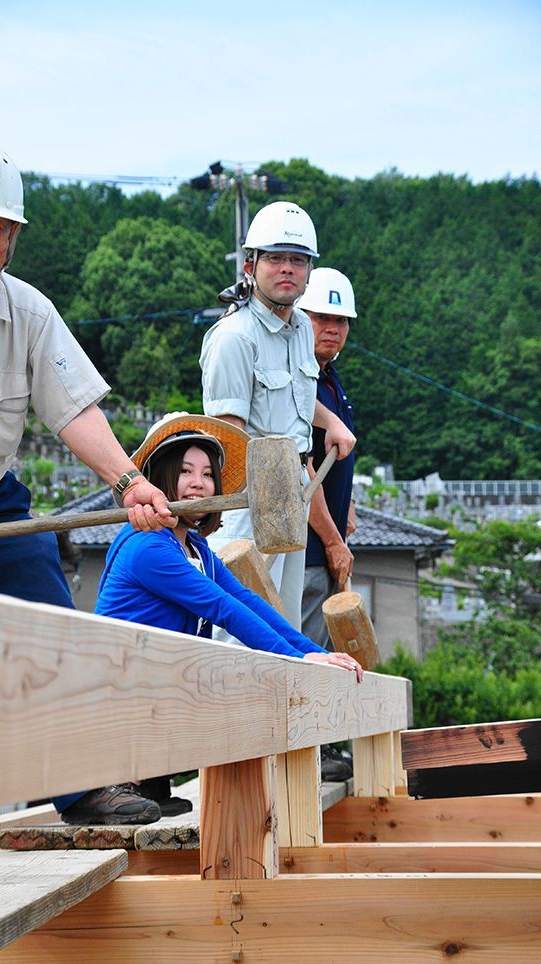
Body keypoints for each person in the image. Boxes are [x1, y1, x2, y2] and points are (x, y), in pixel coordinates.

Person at [0, 139, 173, 607]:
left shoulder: (33, 313)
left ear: (11, 238)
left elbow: (73, 411)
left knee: (49, 616)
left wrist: (130, 483)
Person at [55, 412, 363, 825]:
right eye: (183, 472)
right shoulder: (148, 546)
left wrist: (311, 652)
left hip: (155, 688)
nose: (198, 483)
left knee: (199, 672)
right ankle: (117, 782)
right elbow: (223, 609)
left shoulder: (196, 549)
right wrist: (299, 660)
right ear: (161, 480)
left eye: (206, 474)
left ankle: (149, 781)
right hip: (116, 693)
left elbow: (249, 602)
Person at [199, 201, 356, 631]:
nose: (287, 268)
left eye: (298, 260)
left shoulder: (302, 328)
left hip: (292, 500)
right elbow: (228, 440)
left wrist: (331, 422)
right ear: (250, 263)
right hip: (248, 506)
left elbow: (298, 395)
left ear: (308, 271)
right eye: (275, 258)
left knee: (282, 624)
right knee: (240, 626)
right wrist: (276, 492)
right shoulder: (233, 338)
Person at [297, 268, 358, 783]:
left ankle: (322, 745)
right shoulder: (301, 382)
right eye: (322, 317)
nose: (332, 328)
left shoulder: (332, 380)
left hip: (327, 537)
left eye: (340, 320)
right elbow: (299, 476)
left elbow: (334, 462)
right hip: (310, 548)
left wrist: (348, 508)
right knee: (311, 647)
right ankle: (311, 751)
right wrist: (334, 540)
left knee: (324, 644)